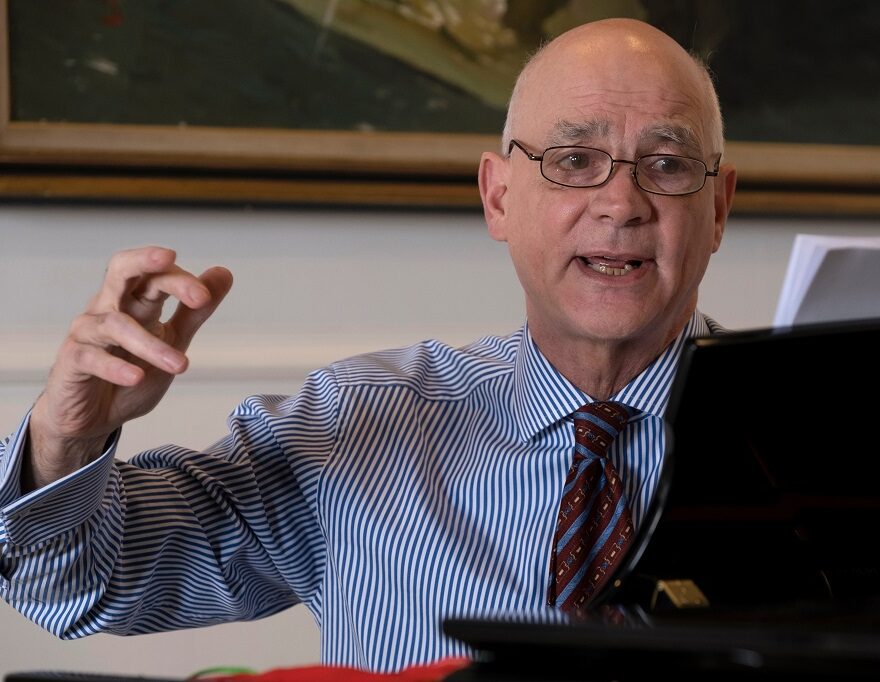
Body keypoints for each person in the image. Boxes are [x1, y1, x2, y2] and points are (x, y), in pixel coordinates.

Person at [0, 18, 735, 673]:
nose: (621, 203)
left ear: (718, 207)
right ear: (499, 197)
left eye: (667, 165)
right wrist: (64, 438)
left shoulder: (826, 431)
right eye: (575, 160)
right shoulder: (355, 424)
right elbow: (77, 586)